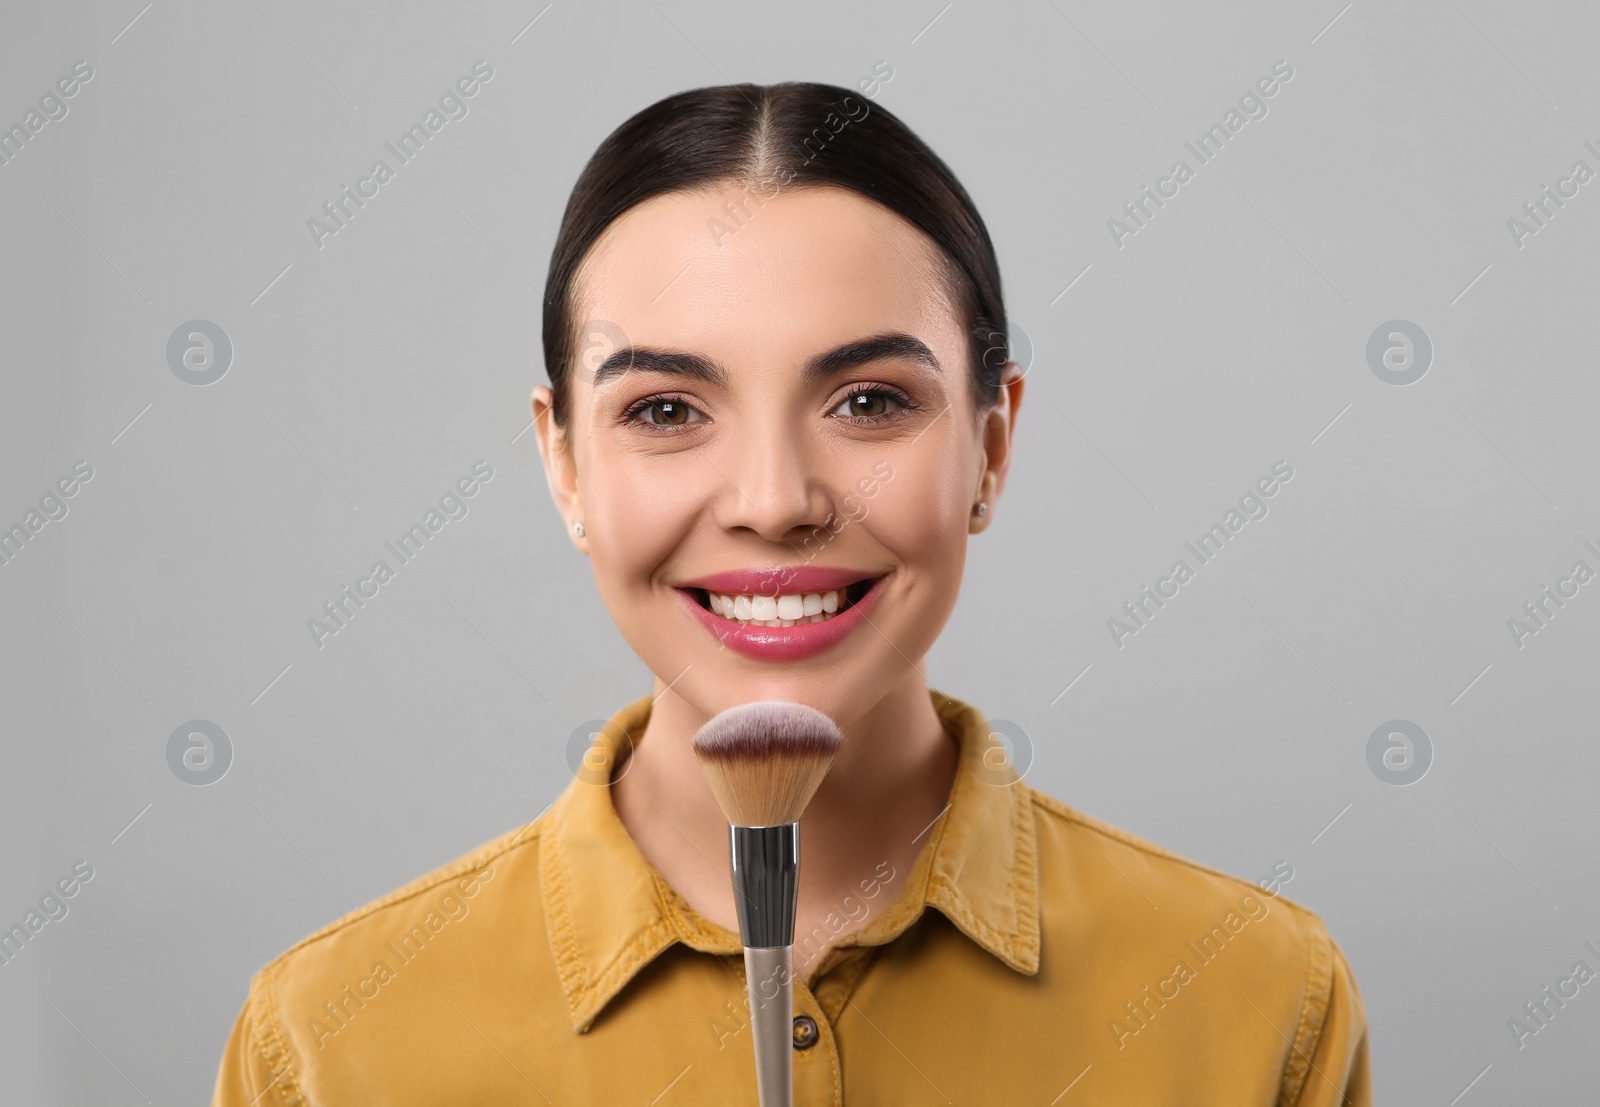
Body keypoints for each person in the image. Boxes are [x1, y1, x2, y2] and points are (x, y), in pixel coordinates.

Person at [211, 81, 1369, 1105]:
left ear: (991, 449)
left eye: (868, 401)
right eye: (665, 410)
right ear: (563, 462)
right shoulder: (326, 1046)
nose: (774, 501)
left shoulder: (1257, 998)